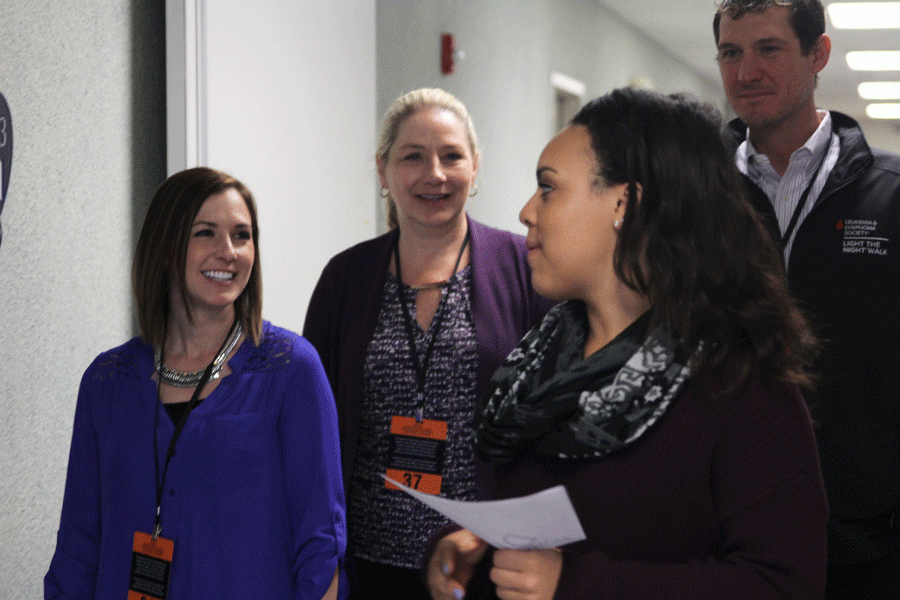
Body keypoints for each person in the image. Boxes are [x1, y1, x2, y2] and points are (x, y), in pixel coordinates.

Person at [425, 88, 828, 600]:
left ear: (624, 204)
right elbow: (522, 527)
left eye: (548, 189)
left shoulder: (737, 381)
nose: (527, 211)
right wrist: (465, 551)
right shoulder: (537, 363)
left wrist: (577, 585)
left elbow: (783, 583)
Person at [45, 167, 346, 600]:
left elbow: (321, 544)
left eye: (242, 236)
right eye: (206, 233)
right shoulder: (106, 381)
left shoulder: (291, 369)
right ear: (166, 248)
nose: (229, 252)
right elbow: (78, 545)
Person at [303, 88, 553, 599]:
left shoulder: (524, 269)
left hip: (482, 566)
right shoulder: (345, 279)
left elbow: (553, 420)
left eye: (451, 156)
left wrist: (493, 531)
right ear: (383, 170)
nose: (434, 174)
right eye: (412, 156)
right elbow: (315, 429)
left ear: (475, 166)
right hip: (365, 567)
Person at [713, 1, 900, 596]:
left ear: (817, 54)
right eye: (731, 53)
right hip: (723, 533)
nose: (746, 72)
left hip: (867, 539)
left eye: (769, 49)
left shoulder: (888, 198)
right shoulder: (694, 200)